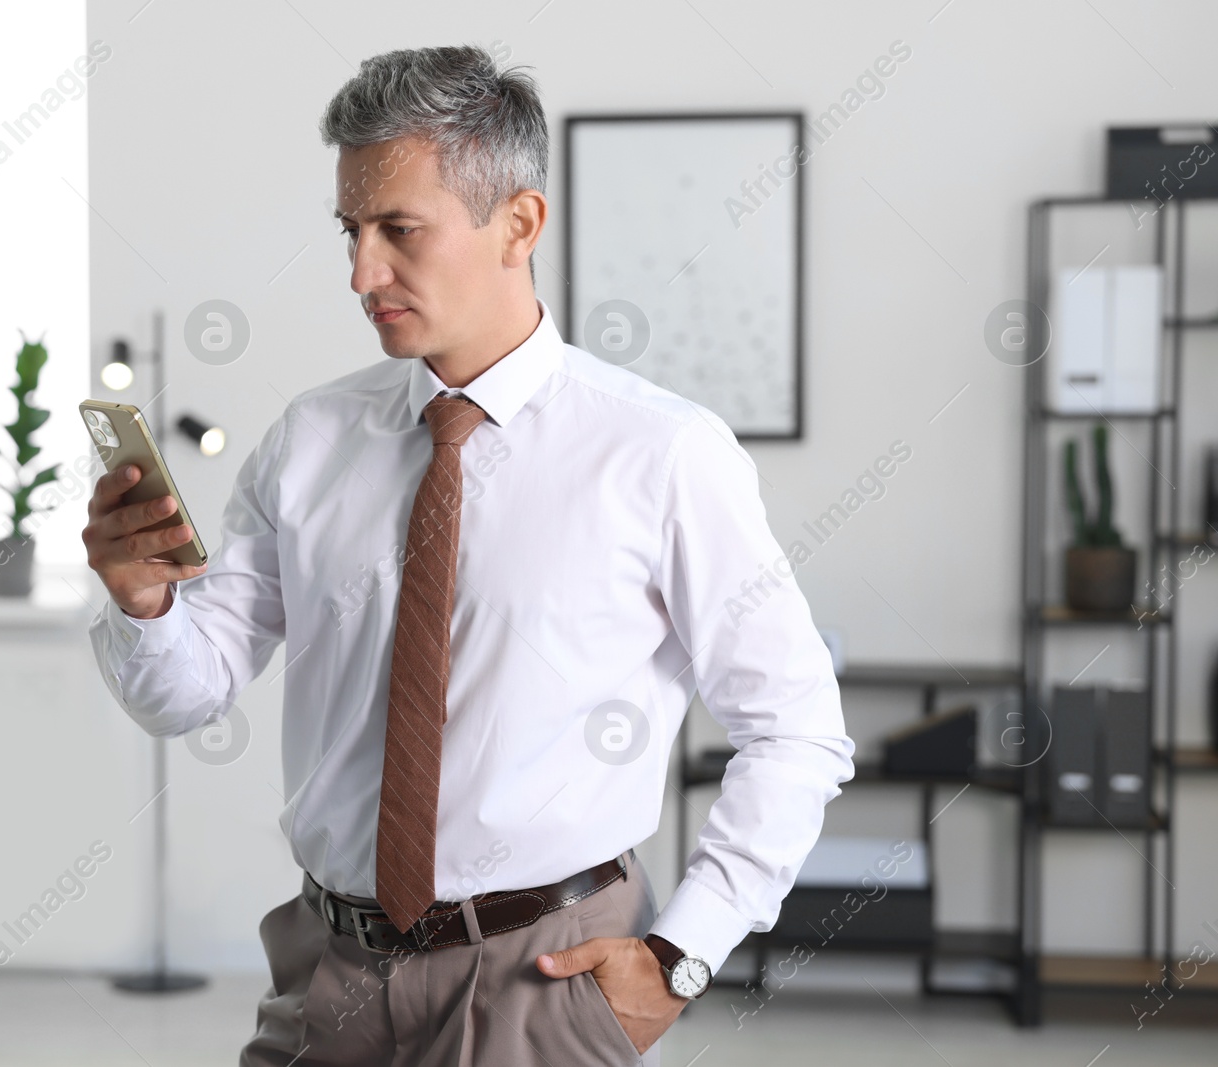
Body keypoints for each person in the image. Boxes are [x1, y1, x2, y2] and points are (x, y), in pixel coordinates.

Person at [83, 43, 854, 1067]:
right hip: (331, 970)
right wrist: (143, 602)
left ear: (518, 223)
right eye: (351, 232)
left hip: (548, 976)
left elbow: (797, 728)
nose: (363, 272)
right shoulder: (310, 440)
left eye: (399, 231)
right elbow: (187, 693)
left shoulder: (662, 453)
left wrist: (683, 954)